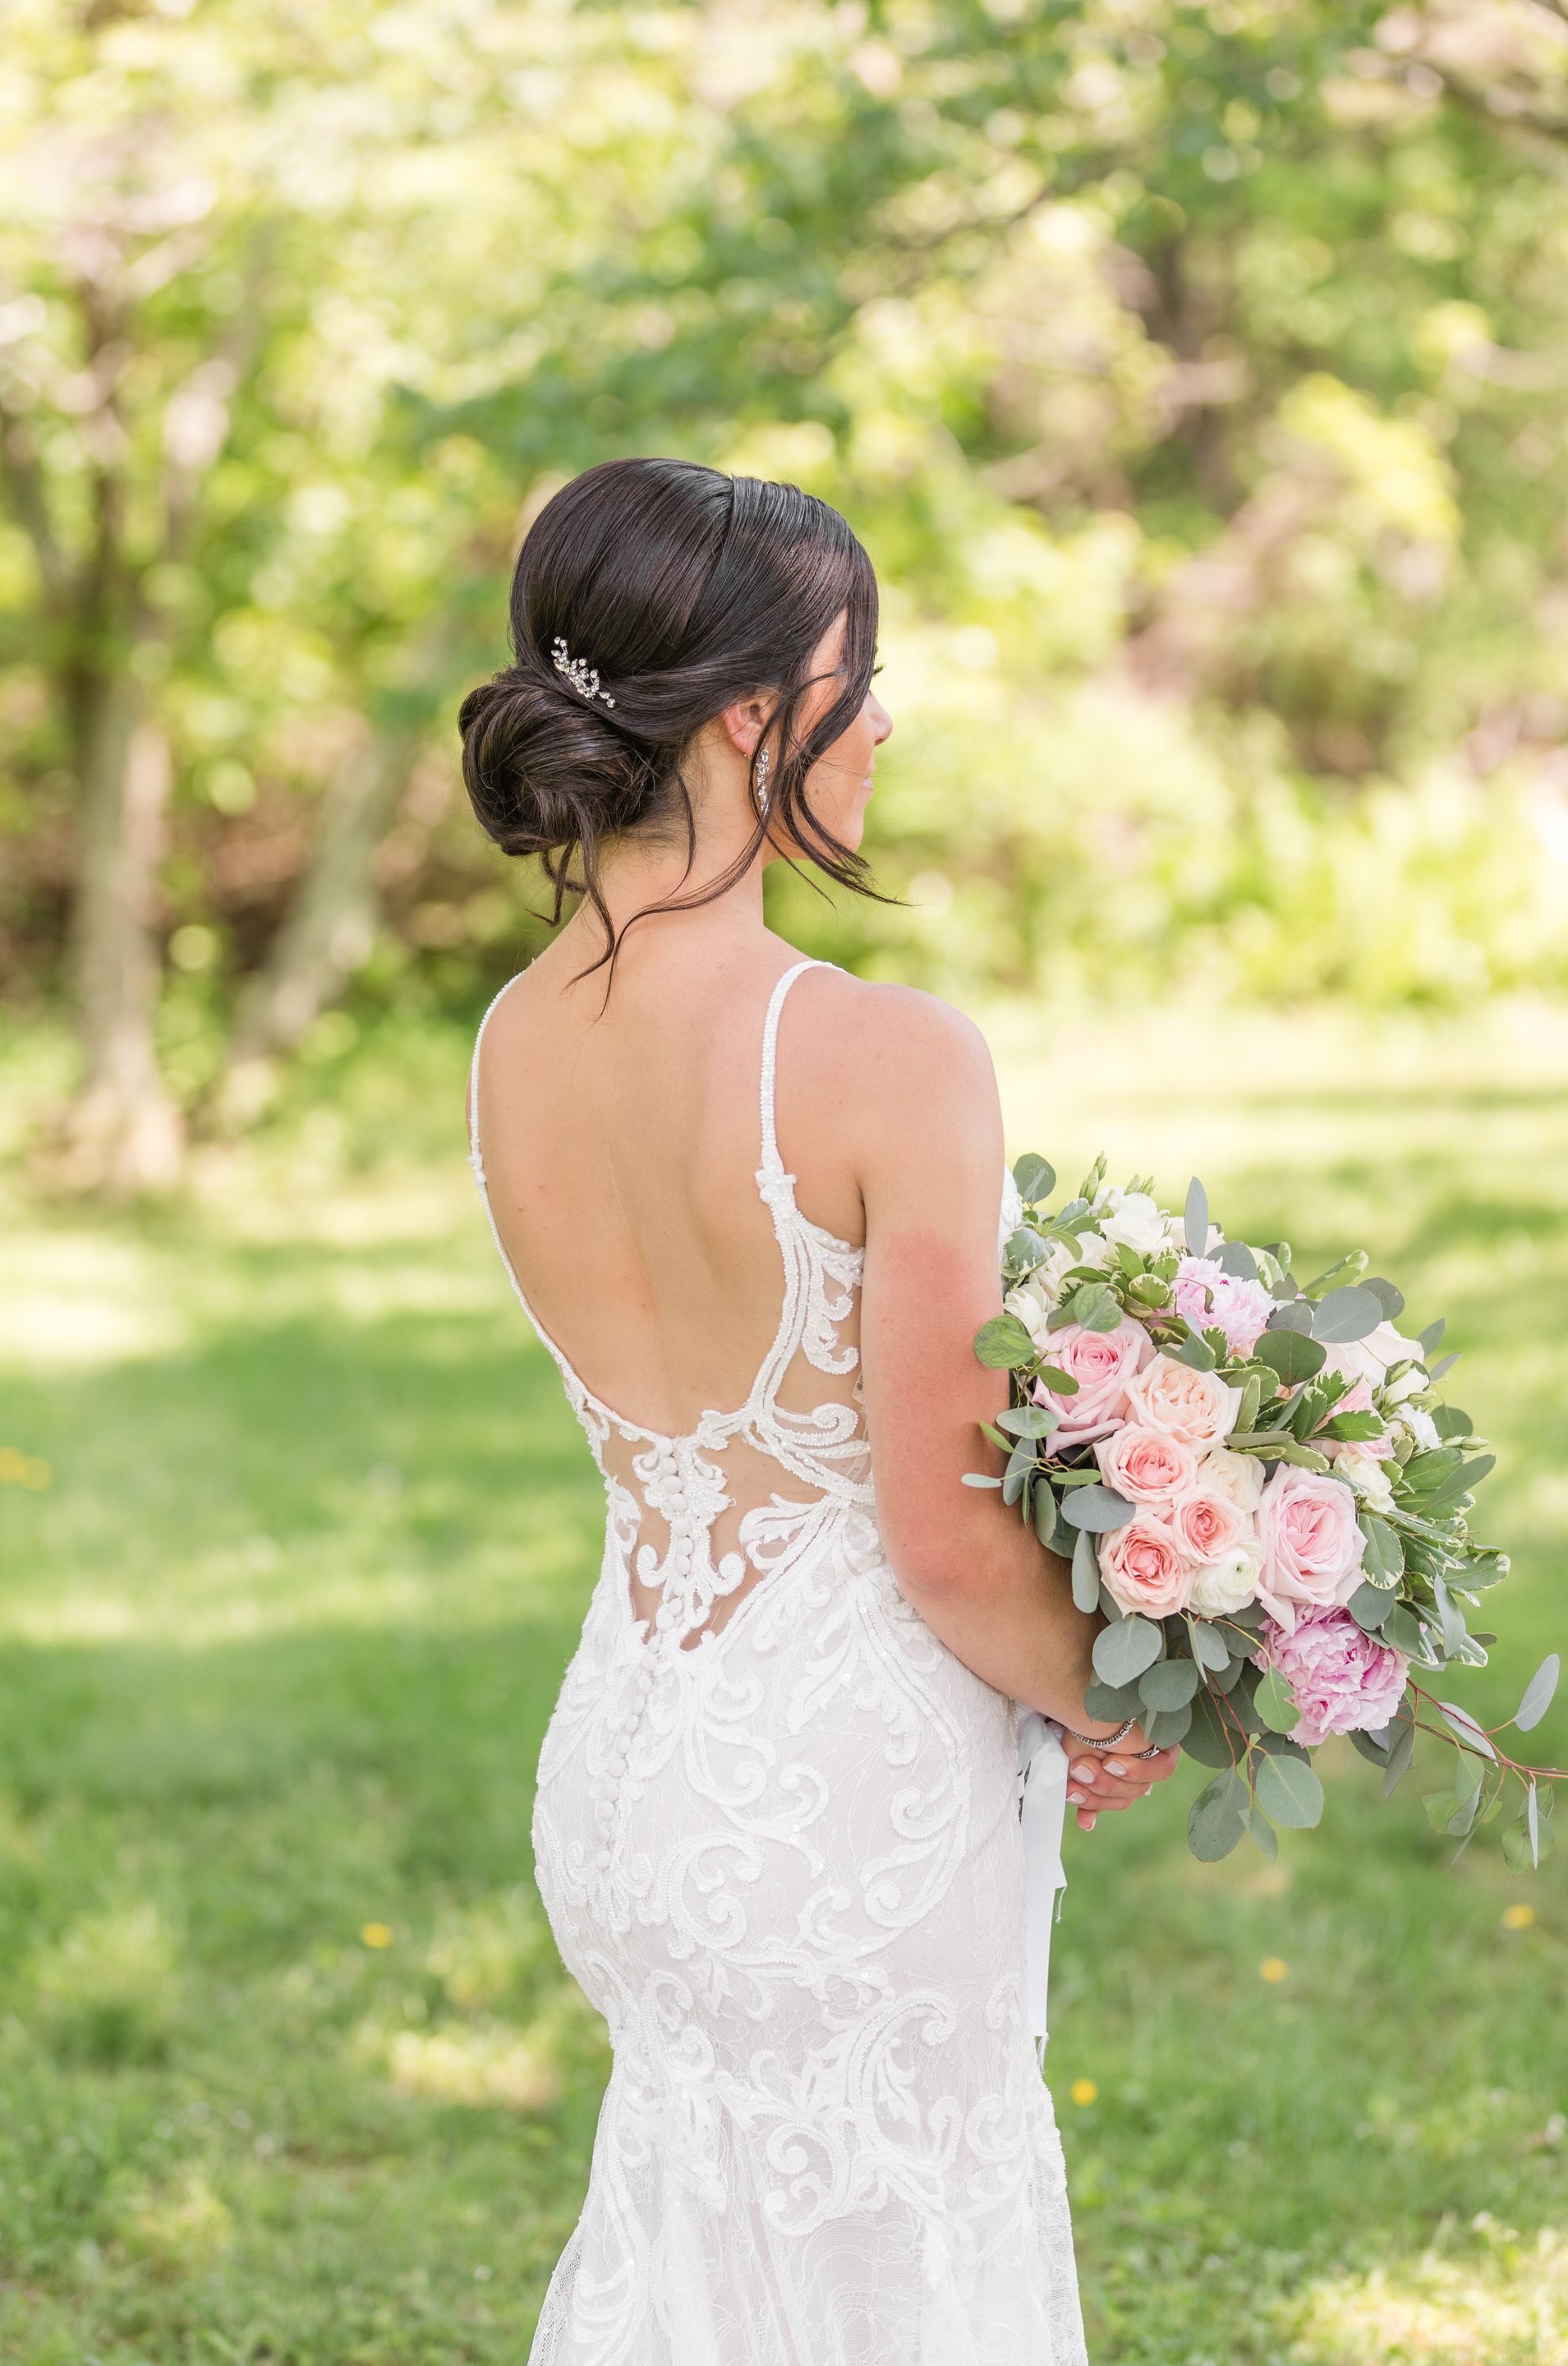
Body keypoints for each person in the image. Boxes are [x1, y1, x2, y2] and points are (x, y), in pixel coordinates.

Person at [459, 457, 1178, 2365]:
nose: (892, 719)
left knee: (695, 2256)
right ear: (762, 716)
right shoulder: (882, 1055)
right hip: (845, 1801)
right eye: (865, 675)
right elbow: (942, 1536)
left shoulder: (512, 1041)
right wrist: (1114, 1694)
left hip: (626, 1759)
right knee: (904, 2264)